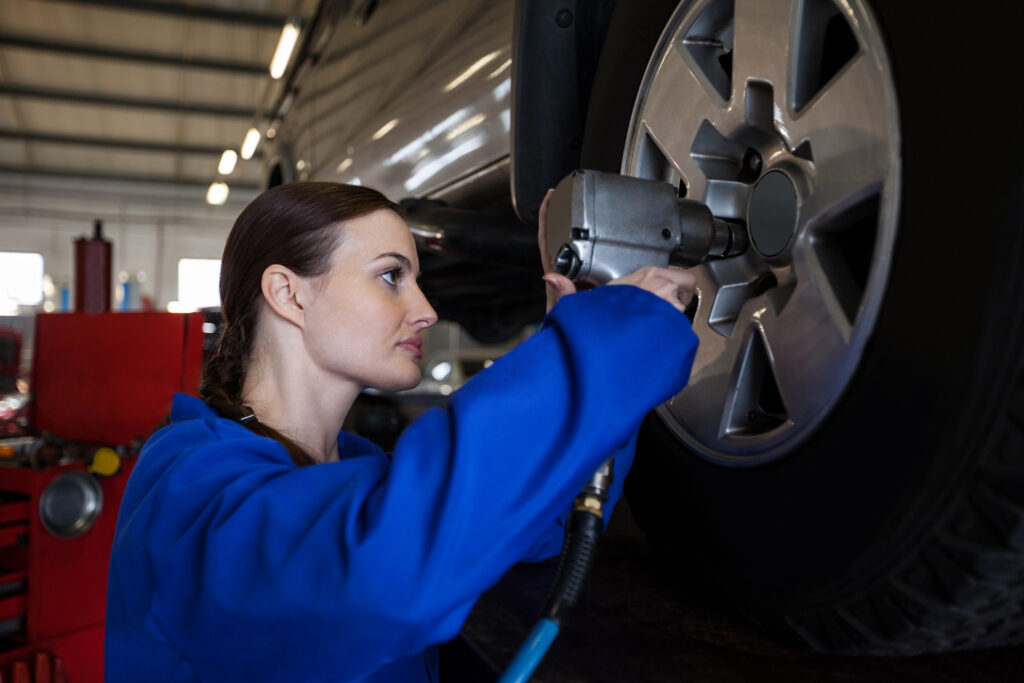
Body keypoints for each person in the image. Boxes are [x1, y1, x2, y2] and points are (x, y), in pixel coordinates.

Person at [105, 181, 698, 682]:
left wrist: (581, 345)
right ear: (289, 294)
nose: (427, 310)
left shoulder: (358, 468)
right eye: (391, 276)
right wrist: (599, 346)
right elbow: (377, 576)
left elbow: (544, 529)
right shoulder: (186, 481)